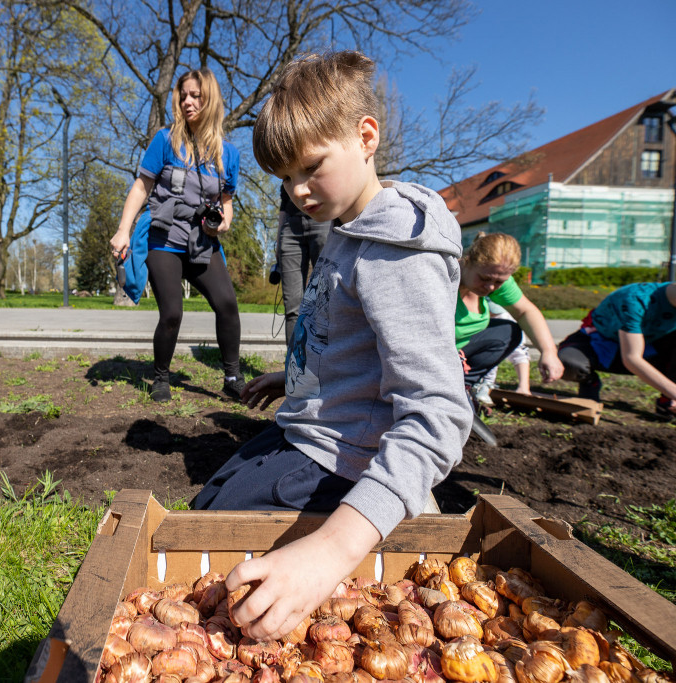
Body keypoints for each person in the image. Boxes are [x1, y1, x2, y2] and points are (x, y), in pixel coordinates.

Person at [190, 51, 472, 641]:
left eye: (311, 167)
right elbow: (346, 339)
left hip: (341, 464)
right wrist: (295, 377)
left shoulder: (395, 251)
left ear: (365, 136)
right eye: (284, 178)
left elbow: (438, 414)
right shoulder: (348, 228)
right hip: (310, 429)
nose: (297, 190)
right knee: (207, 510)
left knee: (219, 572)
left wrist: (330, 551)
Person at [110, 69, 243, 403]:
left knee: (227, 304)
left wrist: (222, 223)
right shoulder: (164, 140)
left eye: (195, 95)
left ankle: (232, 377)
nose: (188, 101)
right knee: (172, 311)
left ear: (209, 98)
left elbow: (226, 203)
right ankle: (161, 377)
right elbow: (142, 187)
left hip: (201, 239)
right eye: (183, 95)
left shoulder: (228, 154)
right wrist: (123, 230)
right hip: (164, 236)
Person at [558, 252, 676, 426]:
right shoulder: (637, 299)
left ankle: (669, 401)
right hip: (600, 346)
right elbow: (632, 358)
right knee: (567, 363)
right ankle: (589, 382)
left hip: (650, 351)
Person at [455, 232, 563, 397]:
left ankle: (463, 387)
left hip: (457, 354)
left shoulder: (494, 275)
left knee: (508, 331)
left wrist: (548, 351)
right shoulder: (444, 277)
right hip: (427, 353)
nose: (490, 287)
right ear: (468, 260)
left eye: (499, 282)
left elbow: (526, 311)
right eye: (484, 278)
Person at [274, 186, 333, 344]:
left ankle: (324, 365)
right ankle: (295, 366)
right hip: (291, 227)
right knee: (292, 308)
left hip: (322, 221)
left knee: (326, 302)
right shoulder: (289, 170)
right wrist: (278, 240)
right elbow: (283, 205)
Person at [472, 301, 532, 405]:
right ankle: (480, 383)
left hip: (493, 308)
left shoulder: (502, 316)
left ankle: (486, 383)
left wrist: (524, 387)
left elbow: (519, 352)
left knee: (494, 346)